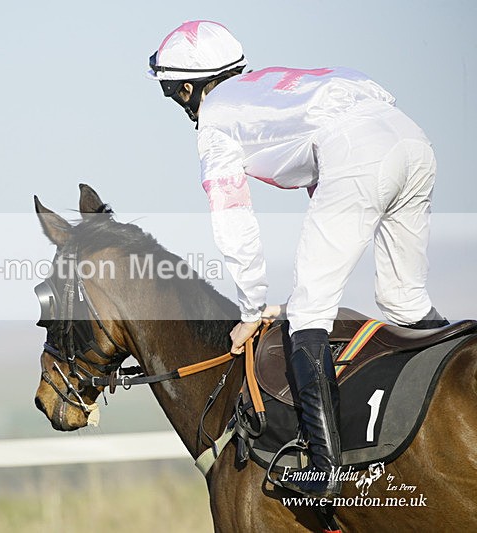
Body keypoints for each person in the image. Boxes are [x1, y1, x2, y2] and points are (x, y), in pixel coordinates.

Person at [148, 20, 448, 498]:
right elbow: (325, 160)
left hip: (358, 153)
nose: (180, 106)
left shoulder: (215, 122)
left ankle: (323, 473)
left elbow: (234, 218)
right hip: (412, 140)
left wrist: (252, 307)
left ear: (188, 87)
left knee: (309, 313)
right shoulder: (270, 89)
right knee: (404, 299)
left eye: (174, 95)